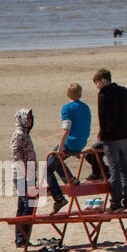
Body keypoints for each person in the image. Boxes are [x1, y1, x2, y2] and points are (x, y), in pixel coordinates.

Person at [93, 68, 127, 213]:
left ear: (103, 80)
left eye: (97, 83)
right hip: (125, 136)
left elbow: (102, 118)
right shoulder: (124, 91)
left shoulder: (104, 94)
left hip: (111, 138)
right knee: (125, 170)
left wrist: (104, 134)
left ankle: (116, 203)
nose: (97, 86)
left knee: (115, 170)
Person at [45, 83, 92, 213]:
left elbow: (66, 129)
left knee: (47, 169)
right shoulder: (86, 107)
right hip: (81, 142)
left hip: (70, 143)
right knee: (56, 162)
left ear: (68, 94)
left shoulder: (67, 108)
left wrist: (60, 148)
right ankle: (70, 178)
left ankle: (59, 198)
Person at [10, 108, 37, 248]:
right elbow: (17, 155)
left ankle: (23, 238)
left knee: (27, 205)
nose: (30, 121)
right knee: (26, 205)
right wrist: (27, 174)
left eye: (31, 119)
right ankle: (22, 239)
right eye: (27, 118)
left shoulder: (25, 134)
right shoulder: (19, 134)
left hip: (29, 175)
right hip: (22, 176)